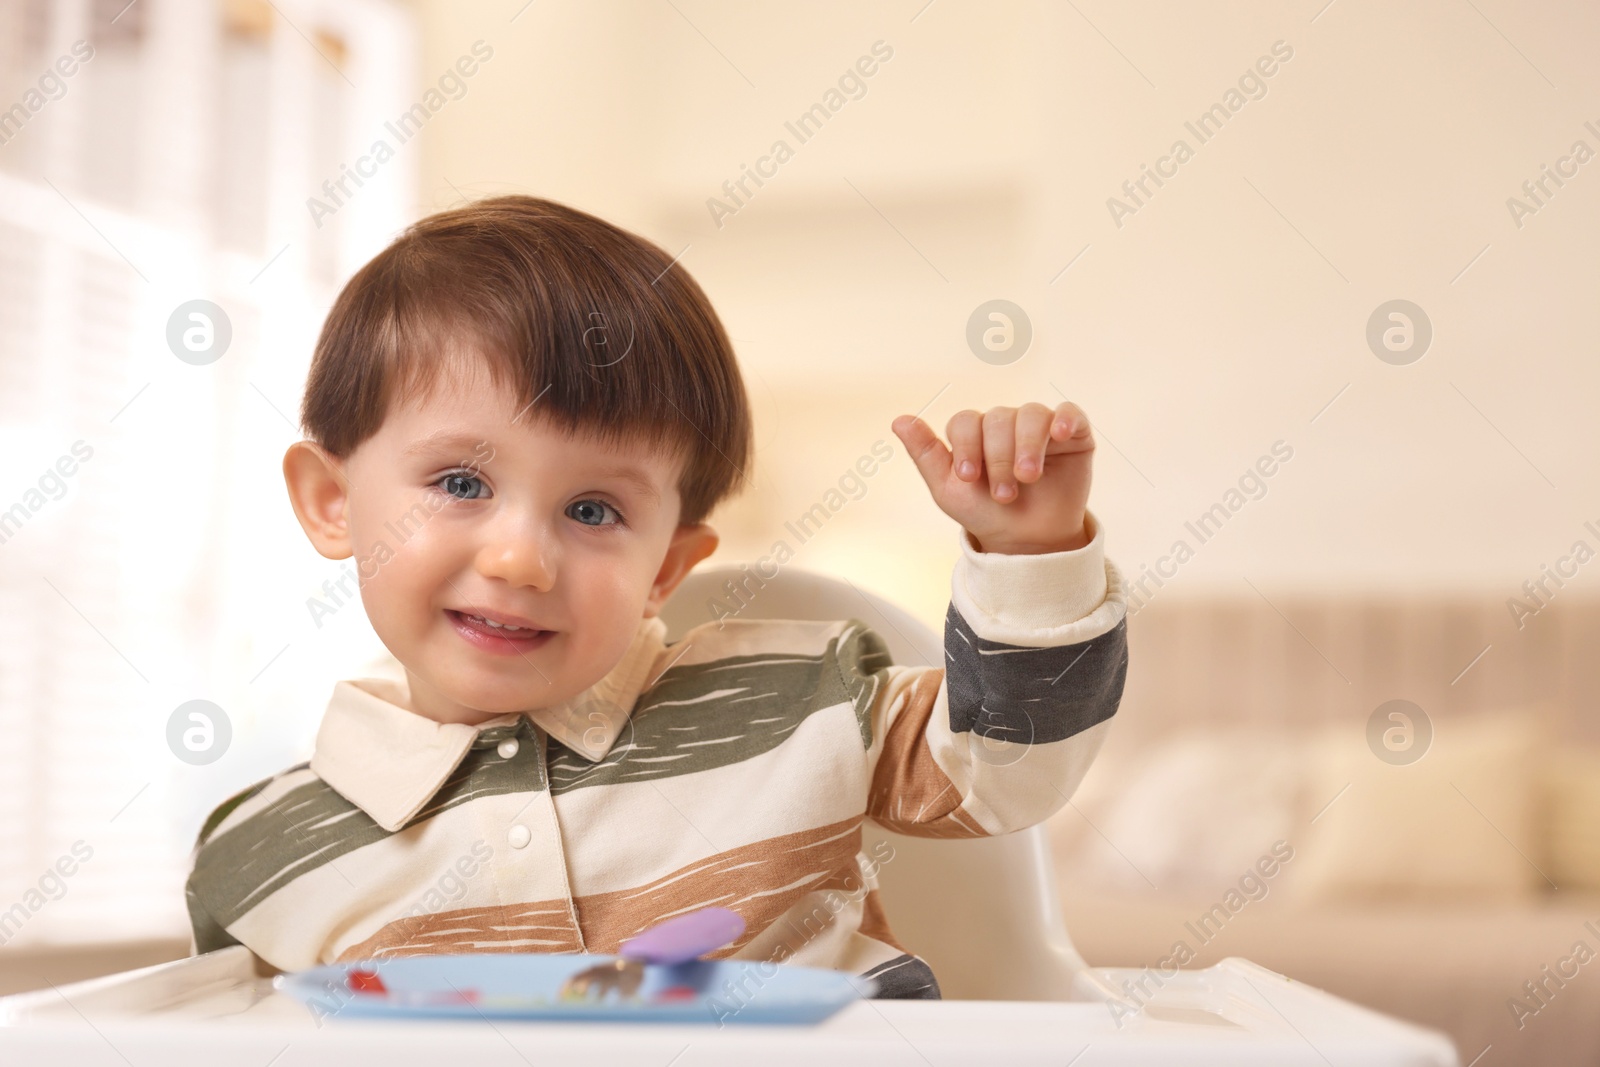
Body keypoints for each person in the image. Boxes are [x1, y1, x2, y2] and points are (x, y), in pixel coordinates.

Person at [184, 194, 1127, 1000]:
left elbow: (1005, 769)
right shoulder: (258, 858)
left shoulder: (798, 700)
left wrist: (1027, 551)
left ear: (666, 569)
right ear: (332, 500)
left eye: (592, 508)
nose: (521, 557)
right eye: (463, 484)